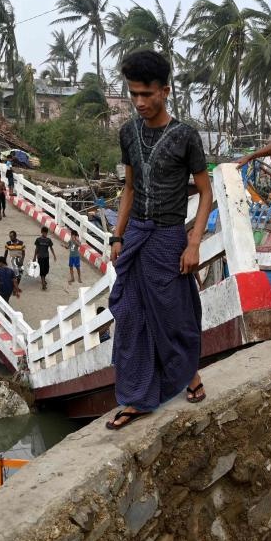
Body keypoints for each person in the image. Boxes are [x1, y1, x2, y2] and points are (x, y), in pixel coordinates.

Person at [106, 50, 213, 430]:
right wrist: (117, 236)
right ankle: (138, 397)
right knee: (132, 315)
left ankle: (191, 375)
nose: (139, 102)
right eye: (133, 94)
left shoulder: (185, 136)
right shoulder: (128, 133)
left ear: (165, 91)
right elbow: (129, 188)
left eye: (147, 94)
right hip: (135, 235)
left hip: (169, 237)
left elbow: (205, 192)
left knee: (173, 315)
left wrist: (195, 241)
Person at [33, 226, 57, 290]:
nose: (45, 234)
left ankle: (43, 279)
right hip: (40, 257)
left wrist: (54, 255)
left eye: (46, 233)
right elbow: (36, 248)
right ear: (41, 232)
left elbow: (51, 248)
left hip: (46, 257)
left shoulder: (48, 240)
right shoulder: (38, 240)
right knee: (42, 269)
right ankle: (43, 283)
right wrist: (34, 257)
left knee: (46, 269)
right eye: (44, 233)